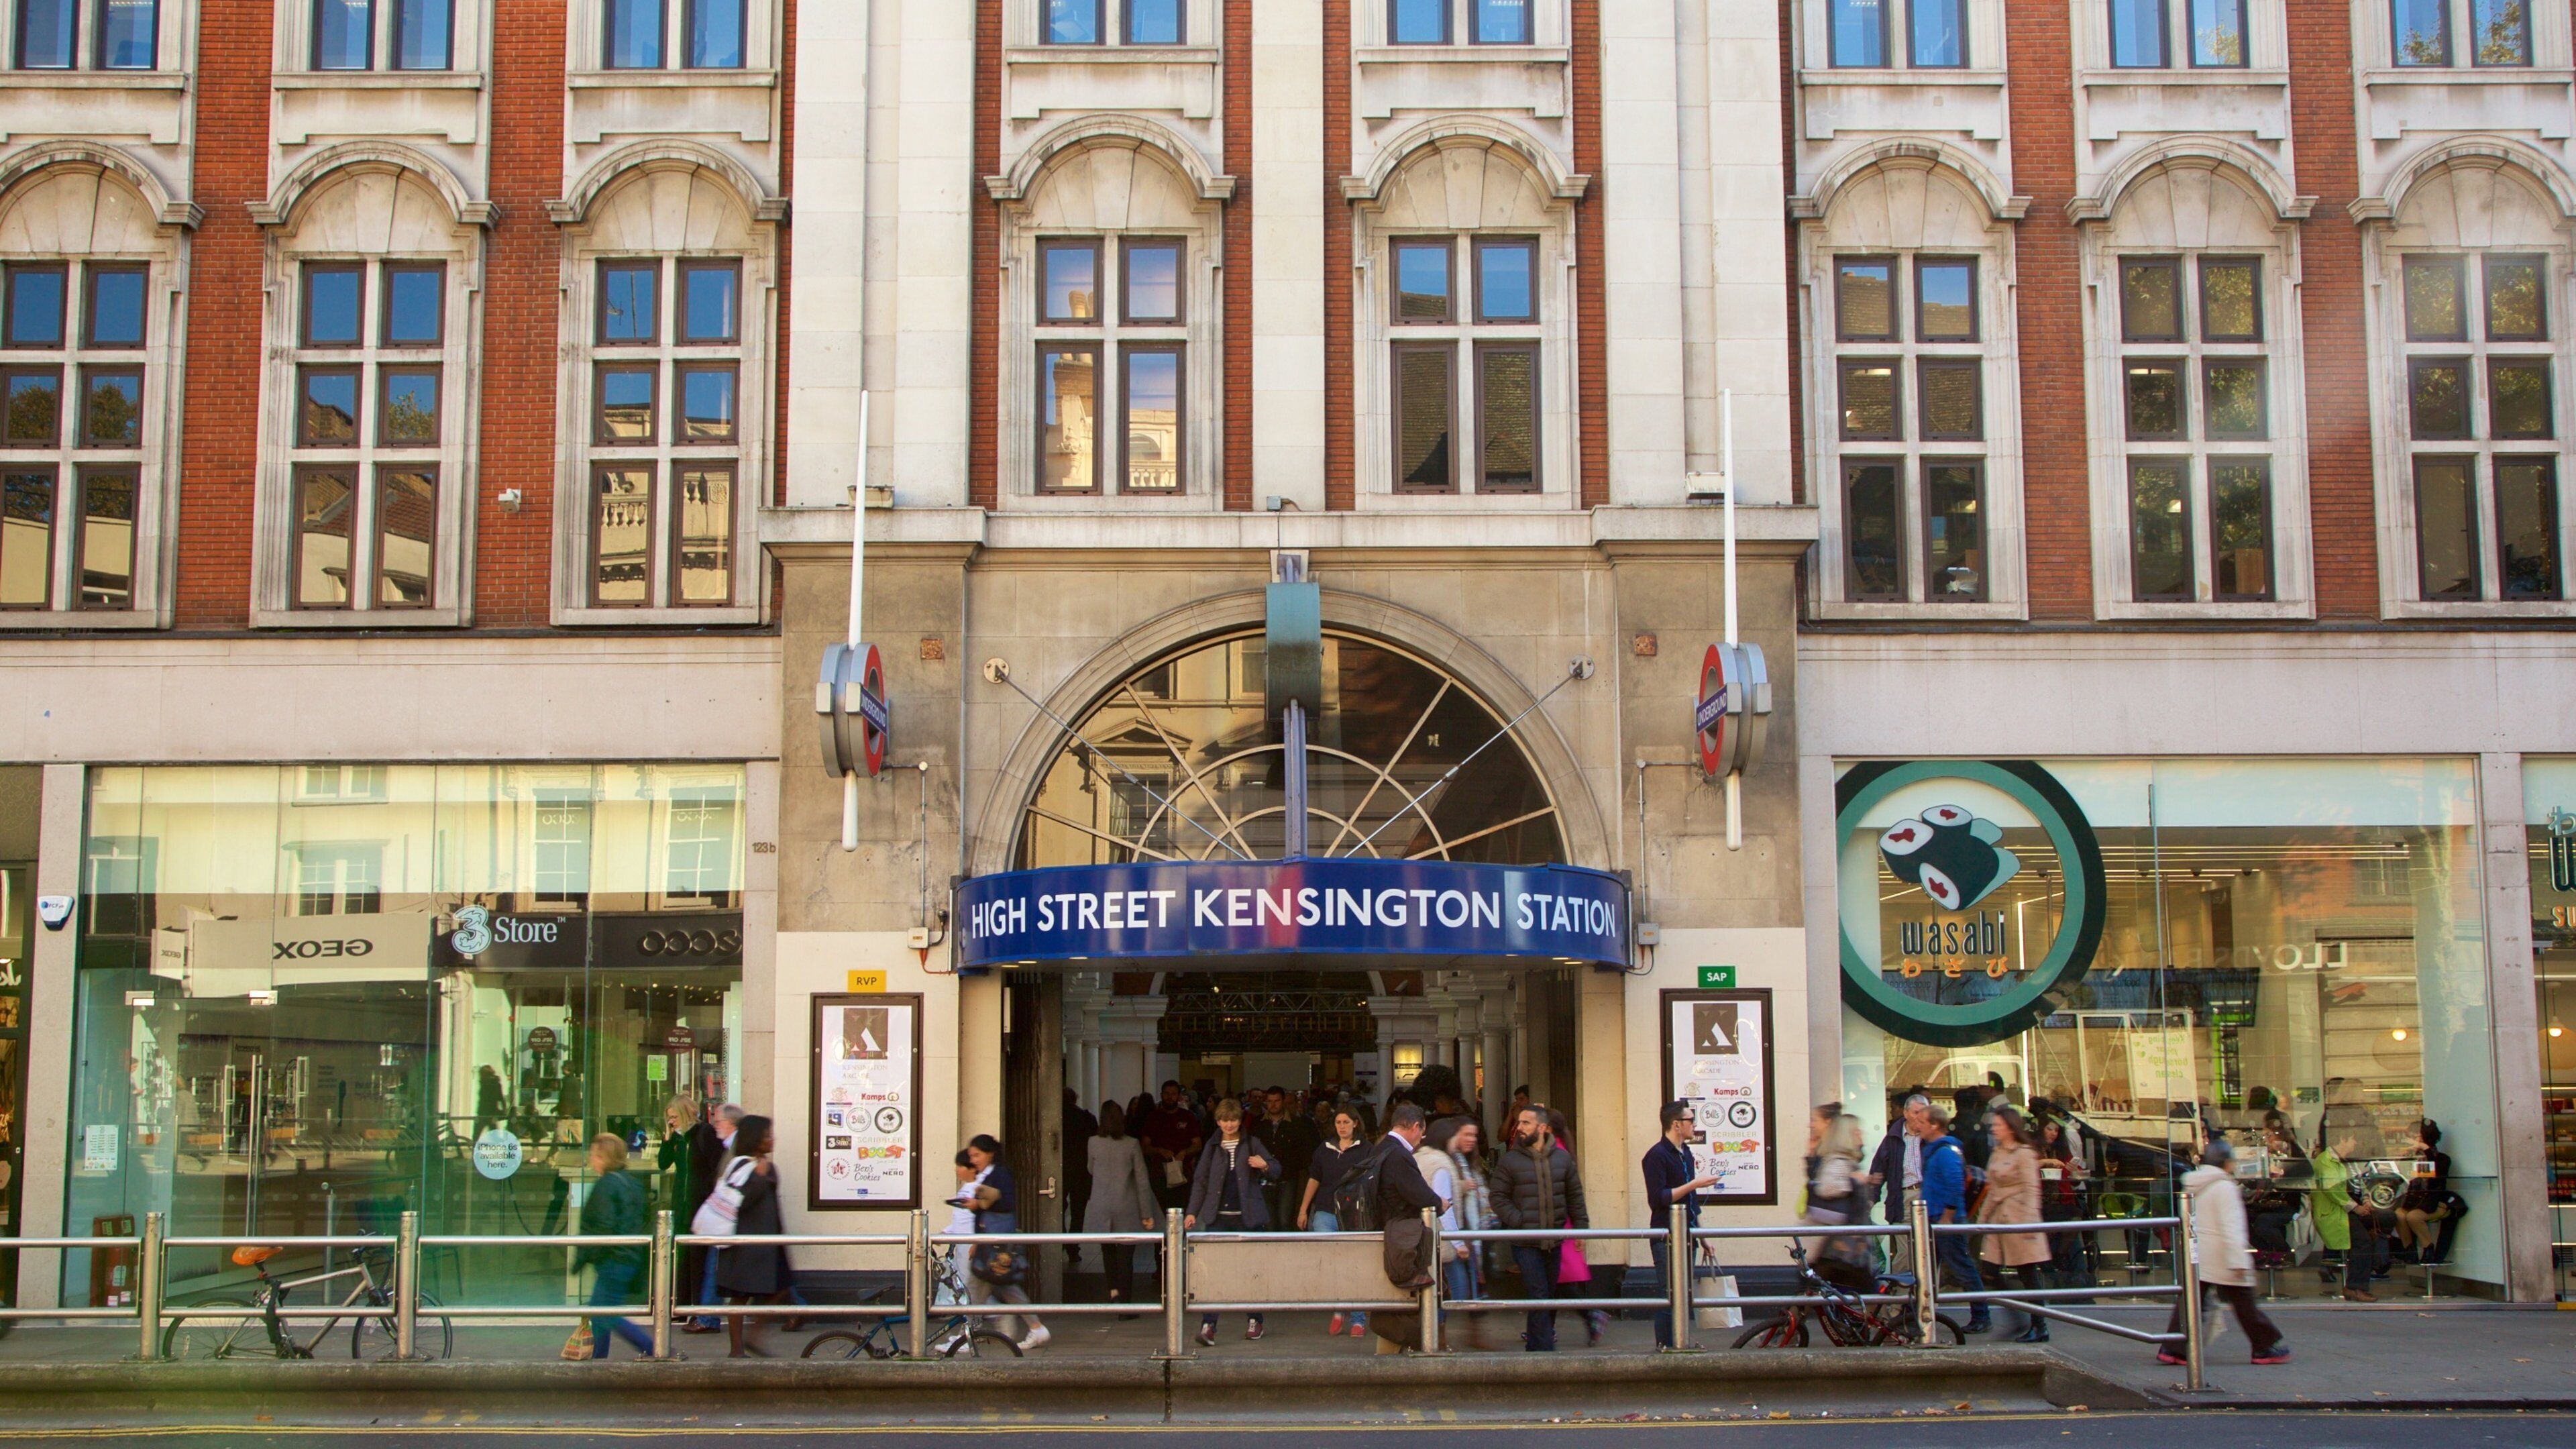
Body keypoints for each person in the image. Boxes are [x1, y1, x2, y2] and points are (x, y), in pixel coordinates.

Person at [2159, 1138, 2288, 1366]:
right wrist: (2239, 1259)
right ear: (2226, 1163)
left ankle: (2173, 1347)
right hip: (2224, 1256)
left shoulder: (2193, 1185)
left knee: (2191, 1303)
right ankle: (2264, 1347)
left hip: (2199, 1254)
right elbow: (2232, 1227)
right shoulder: (2225, 1187)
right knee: (2245, 1304)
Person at [1491, 1102, 1587, 1351]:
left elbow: (1574, 1195)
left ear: (1542, 1128)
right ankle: (1543, 1349)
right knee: (1539, 1293)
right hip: (1525, 1241)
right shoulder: (1510, 1161)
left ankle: (1536, 1346)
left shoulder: (1562, 1159)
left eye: (1526, 1123)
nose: (1519, 1127)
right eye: (1519, 1122)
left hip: (1554, 1239)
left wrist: (1581, 1229)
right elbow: (1497, 1197)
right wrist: (1519, 1221)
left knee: (1548, 1295)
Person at [1184, 1098, 1280, 1345]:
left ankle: (1255, 1319)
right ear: (1217, 1121)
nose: (1229, 1124)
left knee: (1250, 1272)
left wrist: (1264, 1165)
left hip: (1247, 1218)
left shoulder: (1252, 1143)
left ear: (1240, 1121)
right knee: (1214, 1273)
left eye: (1233, 1120)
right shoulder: (1212, 1146)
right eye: (1224, 1120)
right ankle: (1208, 1325)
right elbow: (1201, 1181)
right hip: (1218, 1218)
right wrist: (1192, 1212)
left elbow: (1277, 1169)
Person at [1368, 1102, 1446, 1354]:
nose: (1421, 1140)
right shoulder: (1399, 1155)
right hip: (1401, 1241)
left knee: (1396, 1309)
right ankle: (1388, 1367)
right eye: (1421, 1133)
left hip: (1387, 1235)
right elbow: (1420, 1194)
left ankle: (1389, 1363)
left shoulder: (1381, 1149)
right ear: (1415, 1127)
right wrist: (1440, 1203)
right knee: (1401, 1309)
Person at [1642, 1100, 1720, 1348]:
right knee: (1670, 1294)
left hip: (1688, 1232)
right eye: (1690, 1121)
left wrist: (1703, 1237)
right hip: (1666, 1234)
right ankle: (1665, 1344)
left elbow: (1692, 1201)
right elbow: (1658, 1199)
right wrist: (1695, 1184)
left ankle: (1680, 1342)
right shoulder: (1656, 1155)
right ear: (1676, 1125)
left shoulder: (1685, 1152)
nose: (1694, 1125)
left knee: (1684, 1293)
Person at [965, 1133, 1049, 1350]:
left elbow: (1005, 1203)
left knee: (978, 1284)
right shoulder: (989, 1174)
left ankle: (966, 1336)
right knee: (1005, 1287)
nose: (973, 1160)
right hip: (991, 1242)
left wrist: (980, 1203)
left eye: (977, 1155)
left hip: (996, 1242)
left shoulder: (1000, 1174)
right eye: (971, 1156)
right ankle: (1037, 1328)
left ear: (990, 1153)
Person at [714, 1115, 788, 1358]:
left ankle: (753, 1337)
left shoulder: (768, 1166)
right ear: (755, 1139)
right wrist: (757, 1177)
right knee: (740, 1295)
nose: (772, 1139)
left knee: (780, 1287)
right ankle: (737, 1349)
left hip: (768, 1242)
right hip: (744, 1242)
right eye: (767, 1135)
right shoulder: (741, 1166)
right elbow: (740, 1201)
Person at [1977, 1106, 2052, 1342]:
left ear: (2010, 1127)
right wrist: (1980, 1221)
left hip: (2019, 1219)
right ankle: (2018, 1316)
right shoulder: (1998, 1152)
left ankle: (2039, 1325)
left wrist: (2030, 1223)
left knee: (2028, 1274)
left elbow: (2032, 1189)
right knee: (1989, 1271)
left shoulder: (2024, 1152)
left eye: (1998, 1125)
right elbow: (1992, 1188)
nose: (1994, 1129)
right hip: (2000, 1221)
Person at [578, 1133, 653, 1358]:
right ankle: (599, 1359)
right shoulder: (630, 1182)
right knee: (601, 1311)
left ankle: (652, 1347)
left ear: (604, 1157)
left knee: (604, 1313)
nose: (592, 1159)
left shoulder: (606, 1184)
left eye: (594, 1154)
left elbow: (603, 1225)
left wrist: (585, 1256)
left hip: (613, 1257)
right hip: (627, 1255)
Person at [1916, 1101, 1988, 1334]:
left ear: (1935, 1125)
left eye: (1922, 1122)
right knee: (1926, 1269)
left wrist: (1947, 1216)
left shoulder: (1944, 1152)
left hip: (1944, 1221)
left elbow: (1955, 1185)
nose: (1918, 1126)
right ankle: (1919, 1314)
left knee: (1962, 1268)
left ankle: (1981, 1316)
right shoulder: (1940, 1151)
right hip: (1936, 1219)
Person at [1300, 1104, 1370, 1336]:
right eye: (1338, 1123)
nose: (1342, 1127)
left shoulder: (1366, 1150)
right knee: (1330, 1263)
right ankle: (1339, 1307)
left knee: (1353, 1265)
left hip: (1353, 1213)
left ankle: (1357, 1319)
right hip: (1325, 1211)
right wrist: (1303, 1209)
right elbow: (1314, 1179)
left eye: (1346, 1123)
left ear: (1356, 1124)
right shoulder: (1325, 1148)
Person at [657, 1095, 724, 1335]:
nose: (671, 1122)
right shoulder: (677, 1139)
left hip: (700, 1204)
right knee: (683, 1258)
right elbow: (663, 1164)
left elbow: (717, 1165)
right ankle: (683, 1306)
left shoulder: (703, 1134)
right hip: (682, 1204)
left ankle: (700, 1310)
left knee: (698, 1259)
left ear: (685, 1114)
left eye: (674, 1117)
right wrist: (667, 1139)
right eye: (669, 1118)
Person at [1083, 1100, 1157, 1314]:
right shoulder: (1132, 1144)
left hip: (1101, 1204)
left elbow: (1090, 1169)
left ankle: (1113, 1291)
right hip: (1126, 1206)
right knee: (1126, 1256)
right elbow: (1142, 1180)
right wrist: (1146, 1213)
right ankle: (1126, 1304)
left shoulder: (1093, 1142)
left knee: (1108, 1252)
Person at [1433, 1117, 1493, 1348]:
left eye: (1474, 1136)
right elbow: (1443, 1199)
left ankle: (1469, 1335)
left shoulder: (1467, 1162)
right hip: (1455, 1235)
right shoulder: (1446, 1162)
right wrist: (1462, 1186)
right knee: (1456, 1289)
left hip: (1473, 1232)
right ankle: (1437, 1335)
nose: (1470, 1140)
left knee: (1472, 1288)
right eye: (1466, 1135)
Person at [686, 1103, 745, 1332]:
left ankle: (708, 1319)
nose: (715, 1126)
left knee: (715, 1266)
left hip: (728, 1218)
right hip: (728, 1217)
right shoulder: (729, 1145)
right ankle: (797, 1308)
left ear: (730, 1124)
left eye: (719, 1122)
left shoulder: (737, 1147)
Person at [2394, 1119, 2452, 1259]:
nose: (2413, 1141)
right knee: (2399, 1215)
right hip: (2413, 1203)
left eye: (2416, 1137)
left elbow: (2434, 1175)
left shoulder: (2442, 1159)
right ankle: (2409, 1250)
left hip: (2434, 1204)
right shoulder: (2412, 1158)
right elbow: (2400, 1179)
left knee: (2413, 1217)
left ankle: (2428, 1248)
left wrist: (2425, 1149)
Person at [1141, 1081, 1203, 1212]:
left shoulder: (1188, 1117)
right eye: (1167, 1094)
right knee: (1161, 1215)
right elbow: (1144, 1147)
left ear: (1179, 1096)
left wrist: (1185, 1152)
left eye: (1173, 1094)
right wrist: (1159, 1150)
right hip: (1159, 1176)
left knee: (1182, 1214)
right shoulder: (1153, 1118)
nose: (1170, 1097)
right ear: (1161, 1095)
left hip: (1183, 1175)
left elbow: (1198, 1145)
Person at [1062, 1089, 1098, 1271]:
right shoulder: (1086, 1118)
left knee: (1057, 1209)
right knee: (1078, 1213)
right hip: (1082, 1171)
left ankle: (1061, 1241)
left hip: (1061, 1170)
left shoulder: (1056, 1118)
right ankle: (1073, 1247)